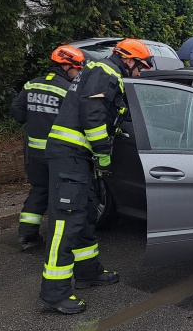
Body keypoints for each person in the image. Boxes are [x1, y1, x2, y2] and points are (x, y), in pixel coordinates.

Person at [37, 38, 154, 314]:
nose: (140, 73)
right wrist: (103, 150)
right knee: (65, 221)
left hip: (77, 156)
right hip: (70, 155)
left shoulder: (101, 73)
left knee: (84, 212)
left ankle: (88, 272)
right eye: (141, 68)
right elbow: (92, 114)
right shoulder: (107, 73)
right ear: (129, 60)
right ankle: (54, 293)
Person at [10, 46, 85, 249]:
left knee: (39, 189)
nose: (79, 74)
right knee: (61, 195)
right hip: (58, 153)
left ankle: (27, 235)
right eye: (78, 69)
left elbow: (17, 112)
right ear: (67, 66)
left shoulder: (31, 85)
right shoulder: (69, 91)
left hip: (33, 152)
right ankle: (61, 241)